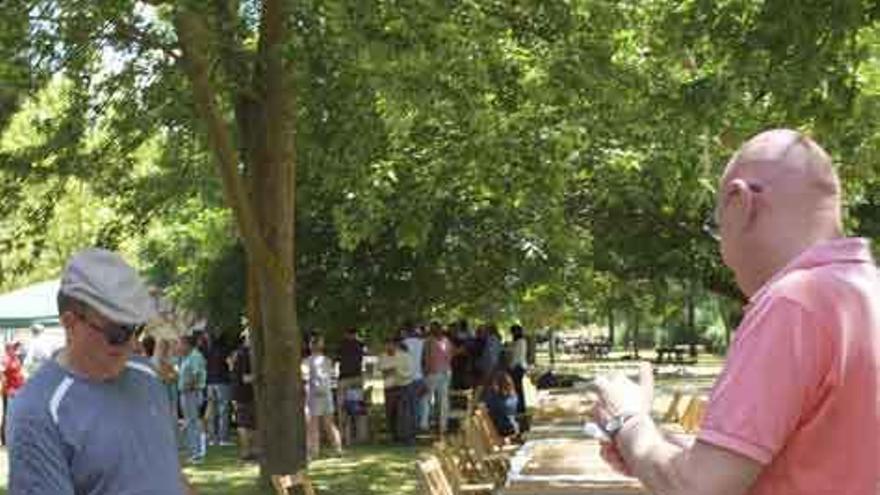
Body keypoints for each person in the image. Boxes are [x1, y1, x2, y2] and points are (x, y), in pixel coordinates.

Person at [592, 129, 880, 495]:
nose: (722, 252)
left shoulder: (793, 303)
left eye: (717, 228)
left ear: (739, 202)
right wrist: (651, 453)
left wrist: (627, 420)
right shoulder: (866, 292)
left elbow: (697, 489)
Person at [6, 248, 194, 494]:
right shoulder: (38, 411)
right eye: (117, 333)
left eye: (134, 329)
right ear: (70, 323)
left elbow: (168, 474)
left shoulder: (145, 375)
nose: (131, 344)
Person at [304, 336, 343, 459]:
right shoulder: (328, 361)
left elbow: (305, 379)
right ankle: (338, 449)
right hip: (327, 394)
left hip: (313, 395)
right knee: (329, 424)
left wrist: (304, 397)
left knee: (312, 426)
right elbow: (332, 377)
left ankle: (313, 452)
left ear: (311, 346)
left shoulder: (306, 361)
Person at [379, 336, 415, 444]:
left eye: (390, 345)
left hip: (404, 386)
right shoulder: (382, 356)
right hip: (389, 388)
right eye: (386, 345)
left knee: (405, 413)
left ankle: (407, 437)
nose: (388, 347)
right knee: (391, 412)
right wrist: (389, 371)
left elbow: (410, 373)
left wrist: (396, 371)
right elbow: (380, 371)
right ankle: (394, 437)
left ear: (395, 345)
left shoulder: (405, 356)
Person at [178, 333, 207, 463]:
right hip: (187, 393)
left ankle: (196, 453)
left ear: (187, 344)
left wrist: (189, 387)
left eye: (181, 344)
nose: (179, 347)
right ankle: (193, 452)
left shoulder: (195, 356)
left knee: (192, 422)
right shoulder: (187, 356)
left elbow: (196, 374)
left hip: (191, 393)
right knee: (190, 422)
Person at [335, 327, 367, 444]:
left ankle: (344, 436)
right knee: (357, 408)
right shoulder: (360, 345)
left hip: (344, 379)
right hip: (357, 379)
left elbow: (337, 359)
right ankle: (361, 436)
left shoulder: (341, 345)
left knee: (343, 408)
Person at [231, 329, 258, 461]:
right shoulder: (246, 355)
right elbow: (246, 378)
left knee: (248, 424)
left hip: (240, 393)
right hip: (245, 394)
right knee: (245, 425)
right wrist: (261, 376)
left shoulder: (239, 353)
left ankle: (251, 452)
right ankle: (247, 452)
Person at [424, 321, 452, 435]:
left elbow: (426, 357)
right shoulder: (444, 341)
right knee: (437, 400)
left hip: (438, 373)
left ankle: (434, 424)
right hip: (440, 372)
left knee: (433, 399)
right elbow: (449, 355)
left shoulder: (431, 341)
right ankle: (438, 425)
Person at [205, 334, 232, 446]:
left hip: (210, 383)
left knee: (212, 411)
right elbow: (230, 364)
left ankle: (212, 439)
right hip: (222, 382)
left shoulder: (209, 351)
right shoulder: (225, 350)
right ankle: (223, 439)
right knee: (223, 410)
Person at [401, 324, 429, 432]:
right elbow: (424, 360)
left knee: (409, 404)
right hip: (420, 376)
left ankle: (412, 426)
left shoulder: (403, 344)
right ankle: (420, 424)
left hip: (408, 377)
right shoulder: (422, 343)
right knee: (420, 402)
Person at [482, 370, 519, 438]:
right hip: (512, 428)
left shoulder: (495, 399)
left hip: (501, 430)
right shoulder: (514, 396)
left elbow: (488, 407)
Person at [1, 342, 24, 446]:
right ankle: (5, 439)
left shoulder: (15, 358)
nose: (15, 349)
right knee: (8, 415)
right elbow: (1, 372)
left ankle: (12, 438)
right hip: (11, 391)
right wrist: (5, 385)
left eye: (15, 348)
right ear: (8, 349)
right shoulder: (6, 359)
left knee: (15, 414)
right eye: (13, 348)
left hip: (18, 390)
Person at [508, 324, 528, 415]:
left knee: (517, 388)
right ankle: (519, 407)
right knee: (517, 388)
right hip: (519, 367)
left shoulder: (520, 342)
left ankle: (520, 407)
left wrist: (510, 367)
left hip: (517, 367)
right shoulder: (519, 341)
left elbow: (516, 357)